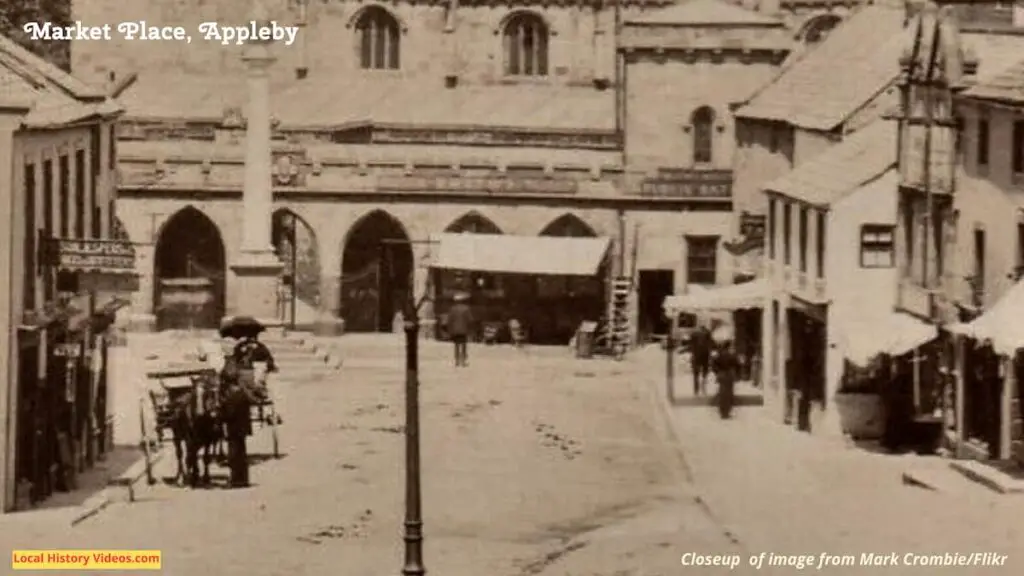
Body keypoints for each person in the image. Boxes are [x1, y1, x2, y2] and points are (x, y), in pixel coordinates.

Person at [220, 360, 257, 488]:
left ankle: (235, 480)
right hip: (243, 428)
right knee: (242, 454)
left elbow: (228, 415)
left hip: (233, 429)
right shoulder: (242, 394)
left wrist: (221, 413)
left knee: (233, 455)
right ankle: (243, 480)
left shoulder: (231, 397)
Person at [712, 340, 740, 419]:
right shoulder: (732, 355)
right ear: (729, 346)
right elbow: (737, 365)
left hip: (721, 375)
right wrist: (737, 374)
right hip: (729, 375)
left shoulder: (719, 355)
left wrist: (717, 372)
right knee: (729, 394)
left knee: (721, 393)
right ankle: (727, 412)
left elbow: (713, 365)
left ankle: (722, 411)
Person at [447, 293, 474, 367]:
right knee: (463, 345)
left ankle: (457, 360)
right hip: (464, 329)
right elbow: (470, 319)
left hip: (455, 330)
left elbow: (449, 320)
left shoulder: (452, 309)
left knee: (456, 345)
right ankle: (463, 360)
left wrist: (450, 330)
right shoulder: (466, 308)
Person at [690, 325, 712, 396]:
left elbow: (691, 345)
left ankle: (696, 390)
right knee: (704, 373)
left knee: (696, 374)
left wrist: (692, 353)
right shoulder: (707, 334)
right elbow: (710, 344)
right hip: (705, 355)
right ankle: (703, 388)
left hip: (696, 355)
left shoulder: (694, 334)